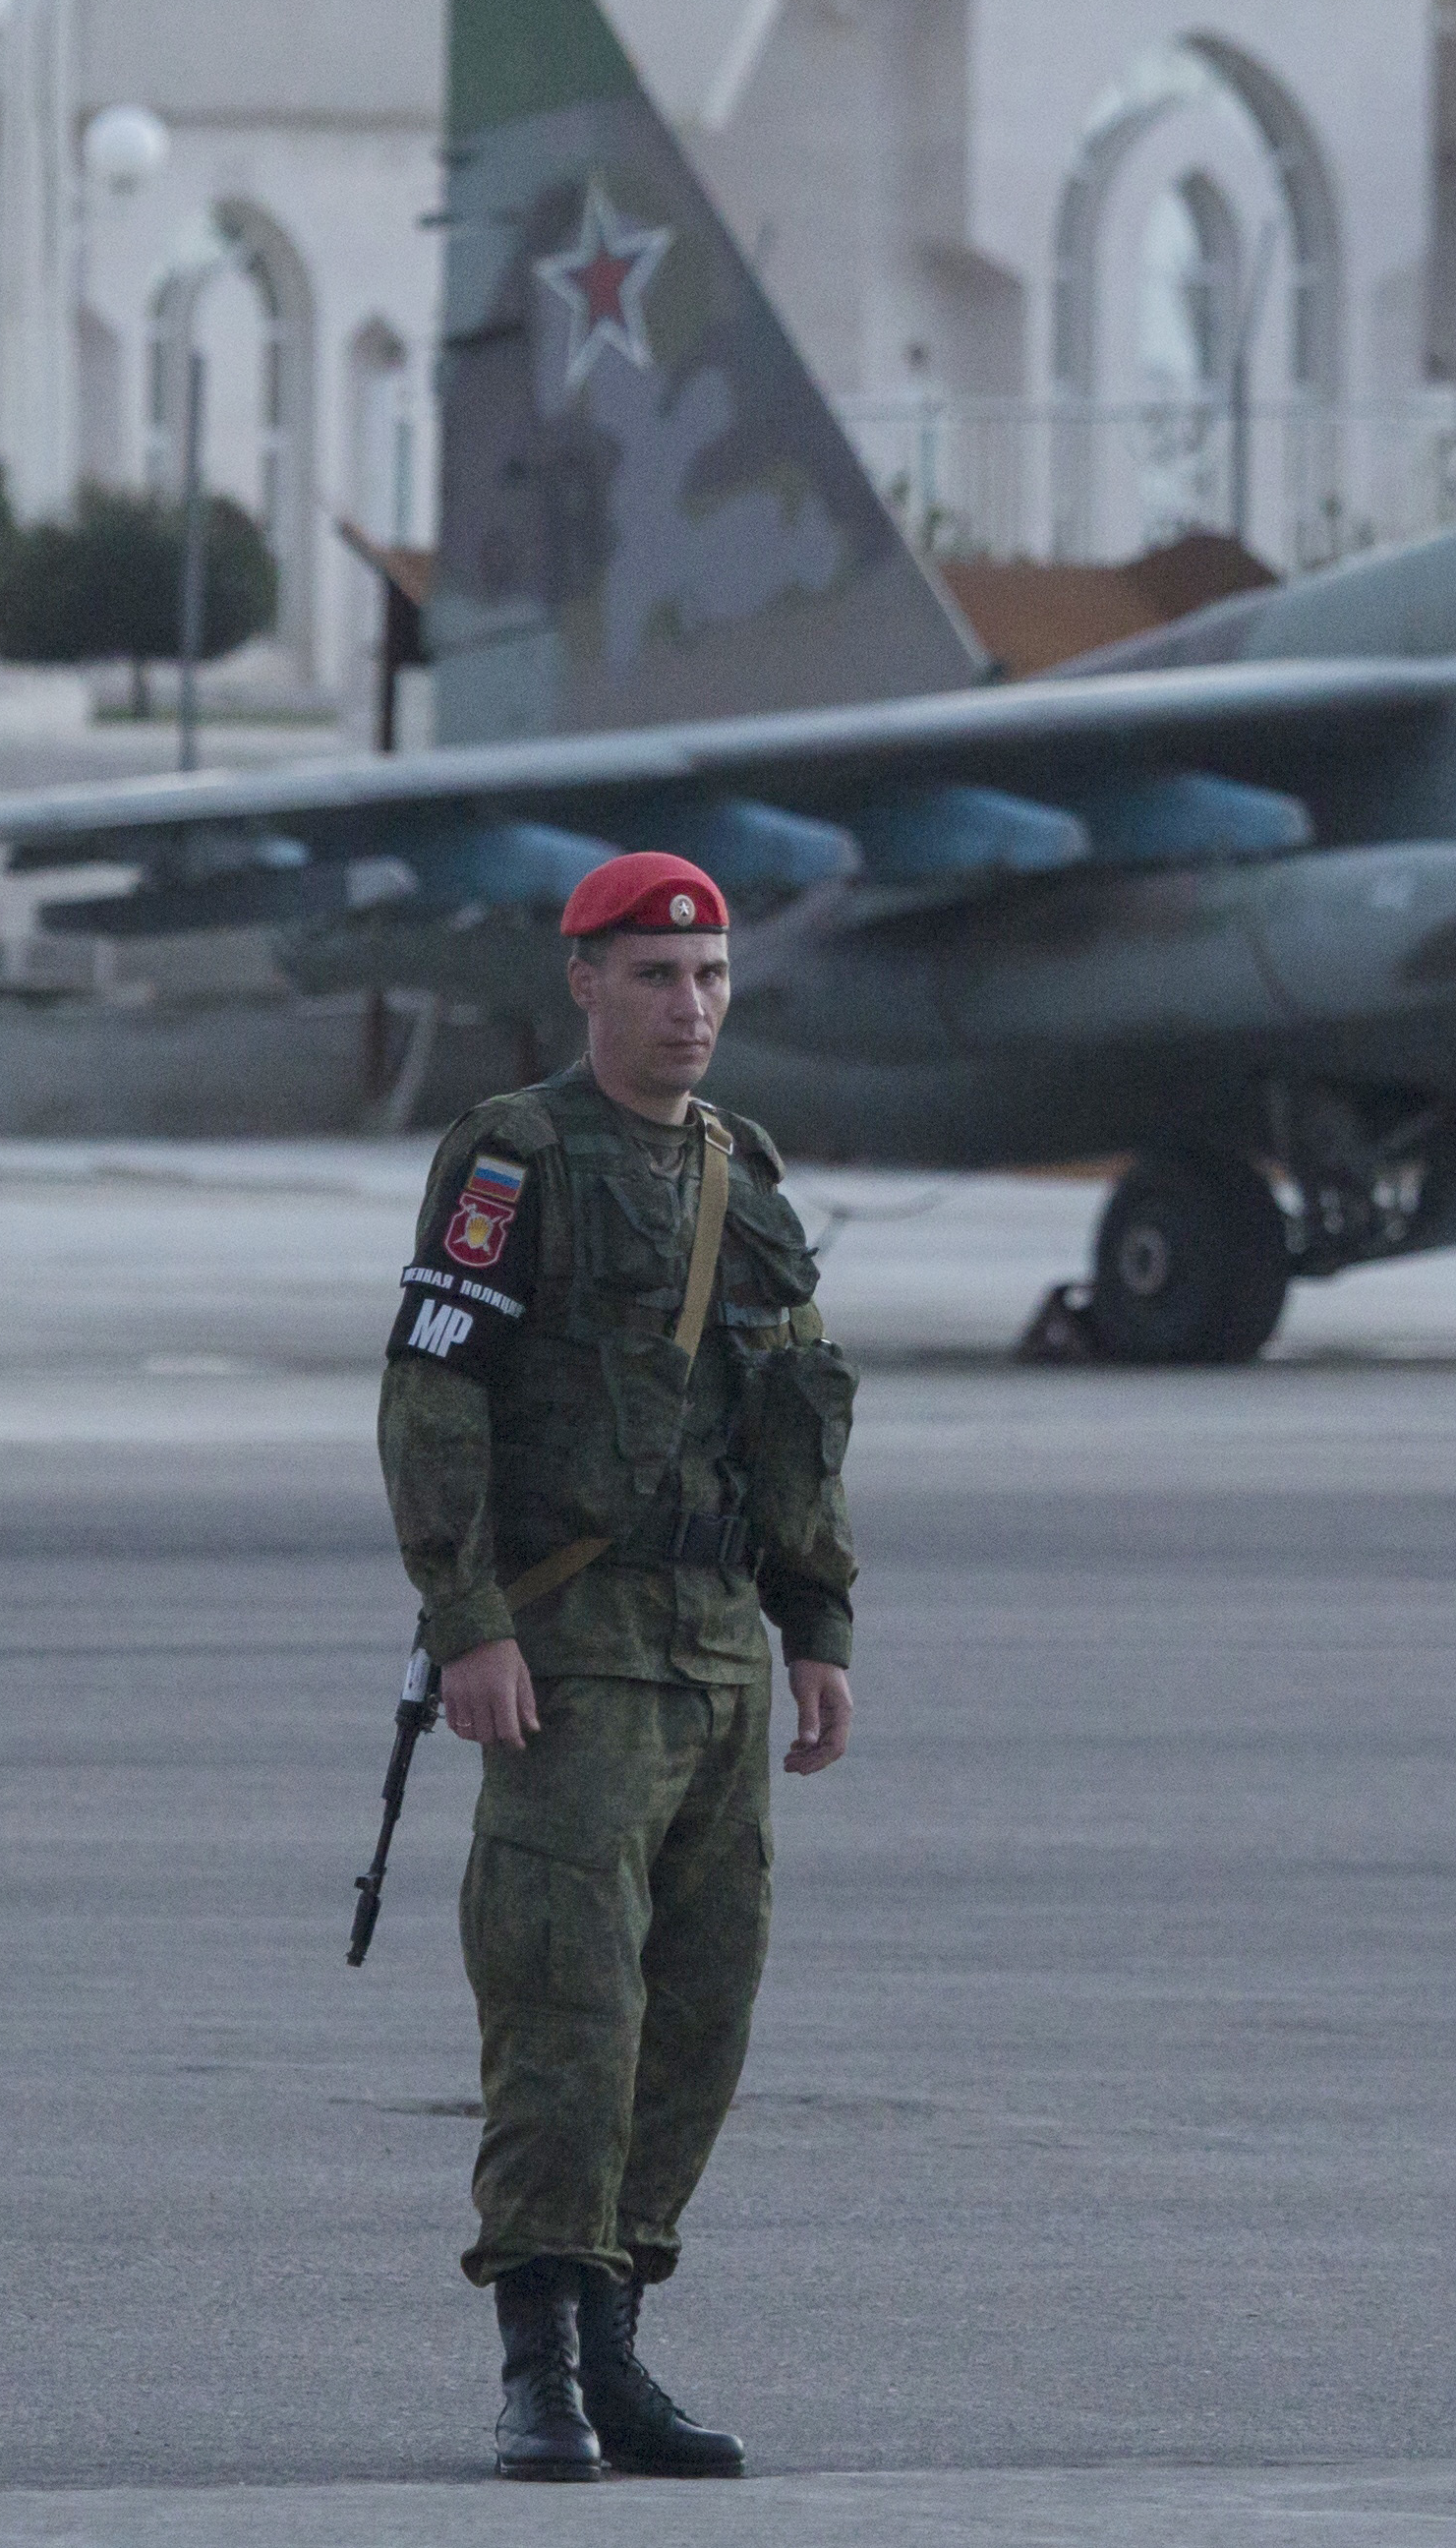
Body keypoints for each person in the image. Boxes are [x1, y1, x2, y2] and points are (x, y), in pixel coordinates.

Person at [377, 850, 860, 2482]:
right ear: (582, 982)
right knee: (564, 2007)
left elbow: (790, 1416)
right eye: (654, 975)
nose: (689, 1005)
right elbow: (432, 1398)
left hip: (719, 1653)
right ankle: (536, 2363)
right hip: (570, 1654)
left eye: (711, 975)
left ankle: (618, 2342)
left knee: (698, 2017)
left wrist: (820, 1628)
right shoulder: (516, 1156)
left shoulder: (746, 1165)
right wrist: (471, 1624)